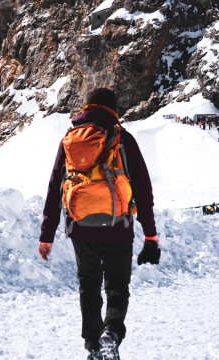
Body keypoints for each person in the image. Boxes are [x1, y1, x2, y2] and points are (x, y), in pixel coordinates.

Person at [38, 88, 160, 360]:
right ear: (113, 109)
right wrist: (150, 236)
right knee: (117, 286)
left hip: (81, 227)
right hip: (118, 226)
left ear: (87, 106)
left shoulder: (69, 140)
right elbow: (143, 190)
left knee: (89, 285)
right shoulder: (123, 139)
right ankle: (111, 335)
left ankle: (94, 346)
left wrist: (46, 235)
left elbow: (54, 187)